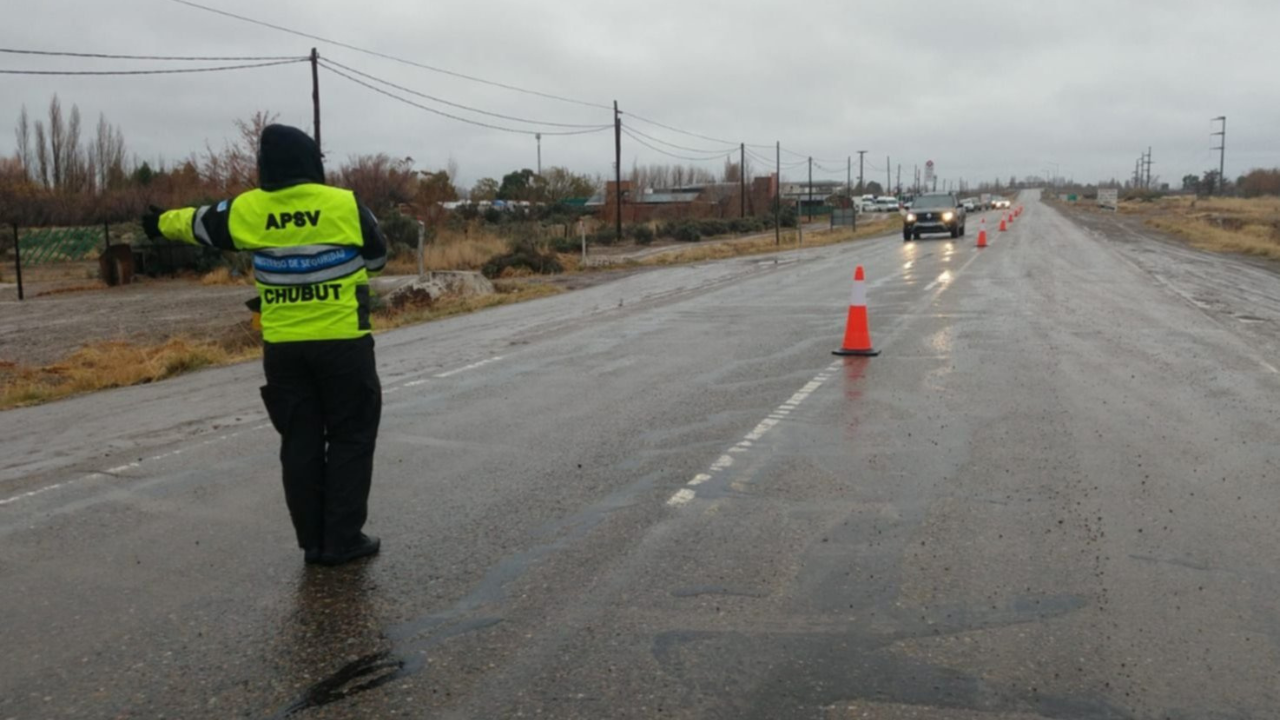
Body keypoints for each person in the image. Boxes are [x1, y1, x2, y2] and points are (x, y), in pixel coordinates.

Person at [142, 124, 387, 567]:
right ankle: (343, 539)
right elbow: (378, 258)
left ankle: (312, 543)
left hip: (283, 350)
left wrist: (158, 223)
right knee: (351, 436)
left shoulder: (247, 209)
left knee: (299, 440)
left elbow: (198, 222)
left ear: (265, 166)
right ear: (313, 162)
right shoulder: (345, 204)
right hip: (343, 343)